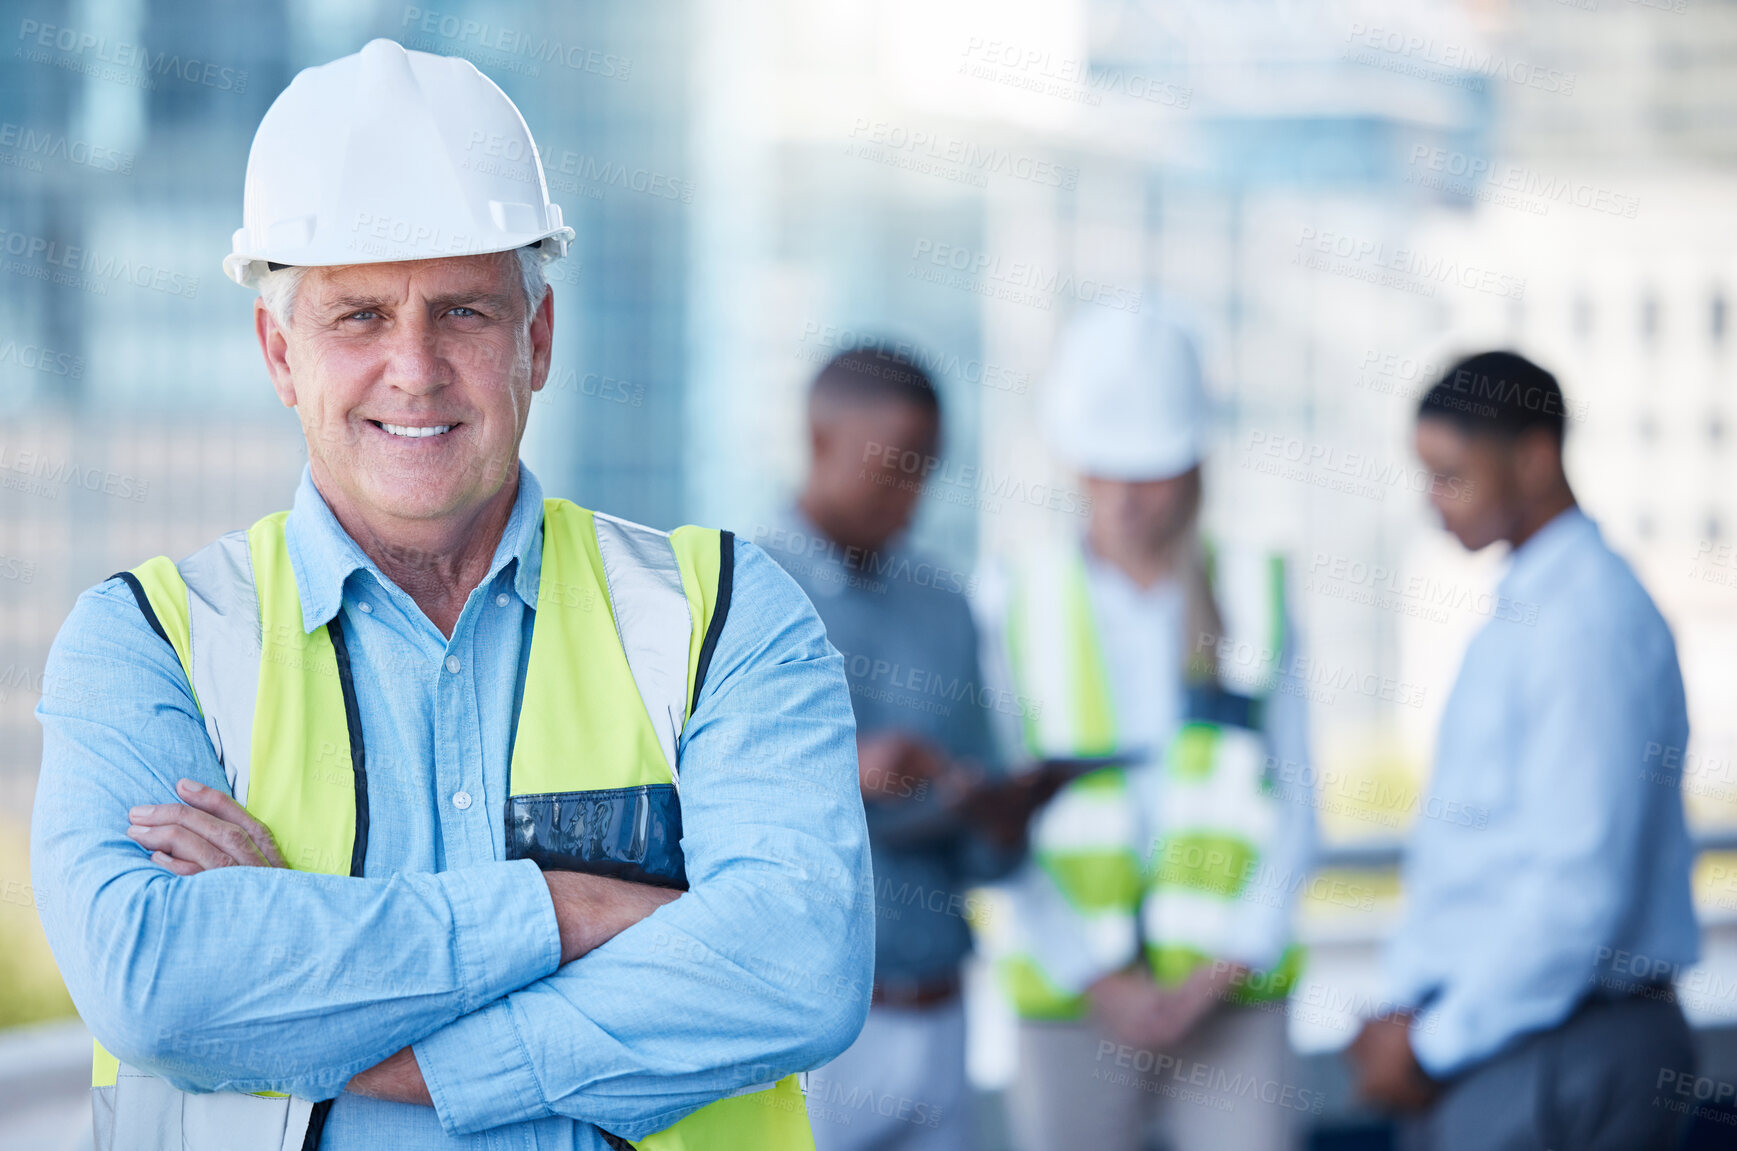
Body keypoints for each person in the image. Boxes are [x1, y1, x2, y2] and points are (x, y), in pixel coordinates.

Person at [30, 40, 871, 1151]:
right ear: (281, 354)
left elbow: (801, 967)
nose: (416, 369)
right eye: (360, 316)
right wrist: (567, 910)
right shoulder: (147, 643)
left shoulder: (721, 616)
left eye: (465, 312)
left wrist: (328, 990)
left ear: (539, 339)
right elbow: (154, 985)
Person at [977, 304, 1316, 1151]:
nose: (1125, 496)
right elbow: (995, 814)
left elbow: (1300, 799)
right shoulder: (1012, 598)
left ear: (1196, 462)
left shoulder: (1254, 588)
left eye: (1151, 470)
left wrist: (1222, 965)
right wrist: (1095, 973)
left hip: (1233, 998)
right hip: (1072, 999)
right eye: (1103, 468)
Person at [1347, 351, 1699, 1150]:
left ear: (1534, 458)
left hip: (1564, 1045)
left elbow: (1575, 892)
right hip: (1504, 1037)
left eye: (1449, 475)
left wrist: (1427, 1045)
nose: (1432, 502)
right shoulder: (1533, 606)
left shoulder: (1585, 623)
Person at [758, 346, 1030, 1151]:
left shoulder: (946, 604)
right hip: (806, 1028)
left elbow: (987, 850)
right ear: (819, 442)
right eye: (892, 472)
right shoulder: (736, 591)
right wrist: (847, 773)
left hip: (942, 1013)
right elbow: (676, 800)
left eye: (925, 471)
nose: (911, 499)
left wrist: (1001, 814)